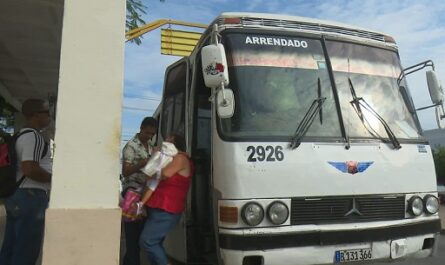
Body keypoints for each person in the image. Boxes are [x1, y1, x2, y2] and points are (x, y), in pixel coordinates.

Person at [0, 98, 52, 265]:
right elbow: (29, 169)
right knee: (26, 249)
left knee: (11, 245)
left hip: (17, 194)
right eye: (47, 113)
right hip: (31, 195)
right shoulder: (33, 136)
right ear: (36, 115)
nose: (49, 117)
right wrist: (54, 179)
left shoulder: (20, 135)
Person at [139, 133, 193, 265]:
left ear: (173, 143)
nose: (164, 141)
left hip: (167, 208)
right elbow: (151, 178)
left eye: (168, 139)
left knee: (147, 241)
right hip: (157, 206)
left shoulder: (180, 158)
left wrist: (155, 159)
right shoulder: (168, 158)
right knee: (155, 242)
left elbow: (164, 174)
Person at [121, 117, 158, 265]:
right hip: (132, 193)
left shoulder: (150, 146)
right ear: (141, 128)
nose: (149, 136)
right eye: (147, 133)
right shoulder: (131, 146)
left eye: (152, 134)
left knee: (139, 238)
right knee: (132, 237)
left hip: (144, 192)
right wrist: (143, 163)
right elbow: (125, 171)